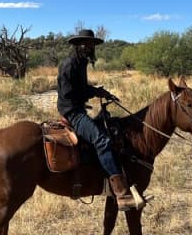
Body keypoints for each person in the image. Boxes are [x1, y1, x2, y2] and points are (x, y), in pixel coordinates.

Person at [57, 29, 146, 211]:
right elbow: (68, 93)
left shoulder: (81, 62)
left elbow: (81, 87)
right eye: (86, 44)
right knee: (102, 140)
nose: (89, 47)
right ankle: (121, 194)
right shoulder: (70, 64)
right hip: (72, 111)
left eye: (92, 44)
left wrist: (99, 92)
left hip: (77, 108)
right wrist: (93, 92)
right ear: (78, 45)